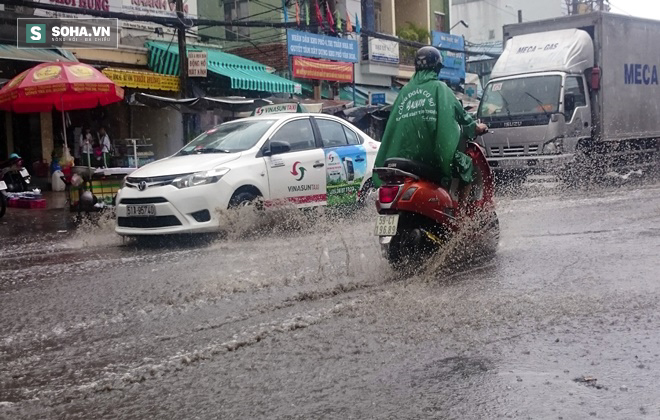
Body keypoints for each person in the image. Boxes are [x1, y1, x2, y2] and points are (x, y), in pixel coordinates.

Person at [373, 46, 488, 212]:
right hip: (431, 157)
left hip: (403, 157)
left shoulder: (404, 91)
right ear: (437, 67)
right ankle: (461, 217)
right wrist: (477, 128)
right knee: (466, 166)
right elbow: (464, 118)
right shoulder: (441, 89)